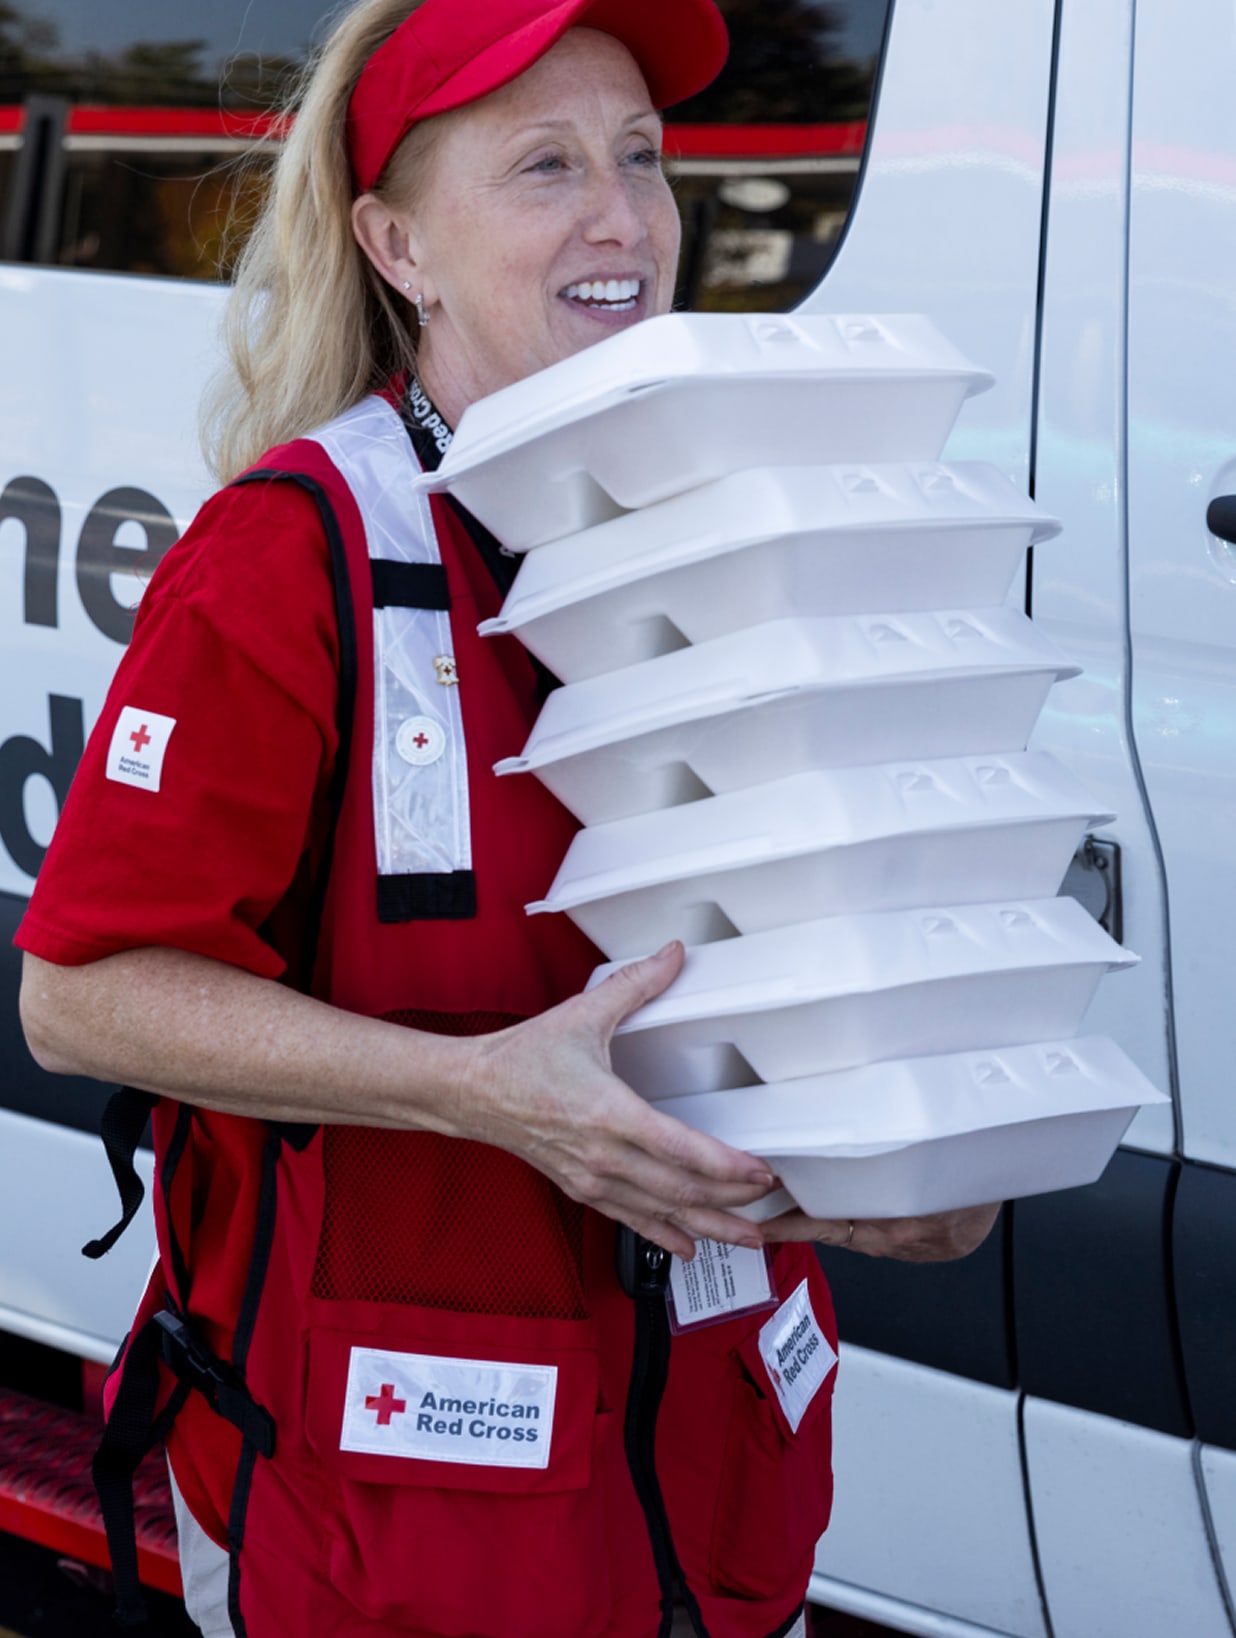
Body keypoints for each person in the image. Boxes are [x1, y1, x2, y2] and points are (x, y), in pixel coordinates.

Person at [16, 2, 1000, 1634]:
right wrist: (480, 1092)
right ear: (396, 242)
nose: (622, 217)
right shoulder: (290, 561)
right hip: (401, 1547)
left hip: (710, 1516)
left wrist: (911, 1158)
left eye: (641, 157)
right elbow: (78, 991)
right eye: (545, 166)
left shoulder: (745, 532)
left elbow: (835, 979)